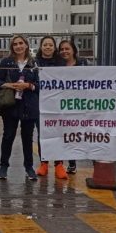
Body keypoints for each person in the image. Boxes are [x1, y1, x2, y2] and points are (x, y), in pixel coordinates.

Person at [0, 34, 40, 180]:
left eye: (21, 43)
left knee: (27, 137)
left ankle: (29, 167)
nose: (18, 46)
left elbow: (41, 85)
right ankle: (3, 166)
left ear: (26, 45)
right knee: (8, 136)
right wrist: (11, 85)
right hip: (10, 105)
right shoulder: (6, 62)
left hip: (29, 105)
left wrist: (28, 85)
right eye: (15, 44)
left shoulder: (35, 64)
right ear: (12, 47)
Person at [35, 35, 68, 179]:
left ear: (54, 48)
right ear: (41, 47)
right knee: (42, 134)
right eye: (45, 45)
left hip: (57, 104)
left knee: (58, 134)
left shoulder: (62, 63)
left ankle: (59, 164)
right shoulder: (34, 62)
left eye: (50, 45)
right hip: (40, 104)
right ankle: (44, 163)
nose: (48, 47)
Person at [58, 39, 88, 174]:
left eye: (67, 49)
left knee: (76, 134)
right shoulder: (57, 65)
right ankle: (65, 163)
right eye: (62, 49)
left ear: (73, 50)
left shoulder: (83, 64)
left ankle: (74, 161)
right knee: (62, 134)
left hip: (79, 104)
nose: (64, 51)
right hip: (61, 104)